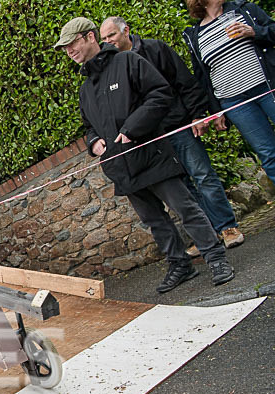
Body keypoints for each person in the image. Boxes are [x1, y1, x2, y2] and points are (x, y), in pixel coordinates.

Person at [54, 17, 234, 293]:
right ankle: (179, 264)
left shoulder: (127, 62)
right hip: (121, 167)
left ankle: (216, 258)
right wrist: (94, 144)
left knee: (186, 208)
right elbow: (89, 127)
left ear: (90, 37)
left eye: (72, 43)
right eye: (64, 47)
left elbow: (160, 93)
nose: (68, 51)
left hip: (152, 154)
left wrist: (132, 128)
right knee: (154, 220)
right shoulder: (85, 89)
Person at [100, 16, 245, 254]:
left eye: (111, 35)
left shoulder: (155, 49)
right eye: (104, 38)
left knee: (203, 175)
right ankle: (207, 235)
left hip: (177, 127)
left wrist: (197, 114)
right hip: (152, 139)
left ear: (126, 31)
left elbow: (184, 81)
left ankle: (227, 227)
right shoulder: (113, 67)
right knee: (184, 188)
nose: (108, 41)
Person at [184, 0, 275, 187]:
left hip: (267, 88)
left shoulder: (245, 10)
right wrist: (216, 111)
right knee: (268, 153)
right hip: (235, 103)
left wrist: (254, 32)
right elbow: (203, 79)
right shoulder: (195, 35)